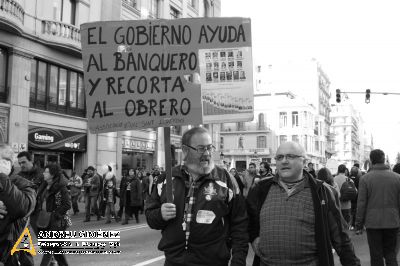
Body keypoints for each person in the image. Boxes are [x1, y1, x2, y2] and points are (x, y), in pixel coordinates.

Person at [146, 127, 248, 266]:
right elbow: (151, 218)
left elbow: (240, 224)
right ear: (185, 150)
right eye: (201, 149)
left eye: (209, 148)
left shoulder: (226, 180)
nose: (207, 154)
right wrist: (160, 214)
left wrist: (238, 261)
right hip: (174, 262)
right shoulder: (166, 179)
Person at [247, 141, 360, 266]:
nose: (284, 161)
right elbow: (249, 219)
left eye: (290, 156)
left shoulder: (322, 192)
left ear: (304, 162)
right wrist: (253, 237)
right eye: (279, 157)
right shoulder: (261, 188)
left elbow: (340, 237)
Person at [355, 149, 400, 265]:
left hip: (373, 223)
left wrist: (358, 224)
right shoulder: (397, 178)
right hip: (392, 221)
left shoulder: (365, 179)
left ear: (371, 160)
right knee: (391, 254)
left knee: (376, 256)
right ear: (384, 159)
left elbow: (361, 203)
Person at [0, 144, 36, 265]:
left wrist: (3, 177)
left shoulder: (24, 184)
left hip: (14, 251)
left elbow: (21, 208)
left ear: (8, 163)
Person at [37, 163, 71, 266]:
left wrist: (55, 214)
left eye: (46, 172)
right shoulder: (44, 185)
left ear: (52, 174)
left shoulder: (61, 187)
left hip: (58, 221)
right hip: (45, 220)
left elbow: (67, 205)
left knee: (49, 247)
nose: (43, 173)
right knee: (56, 249)